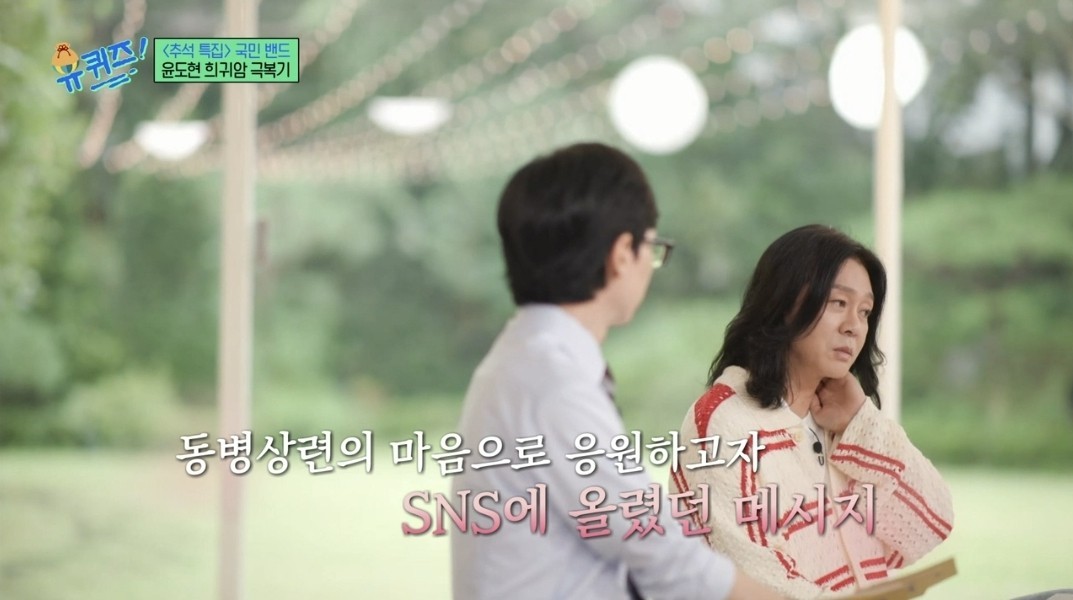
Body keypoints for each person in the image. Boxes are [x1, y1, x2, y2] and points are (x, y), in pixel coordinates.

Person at [450, 143, 782, 600]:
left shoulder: (524, 363)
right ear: (622, 252)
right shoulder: (555, 384)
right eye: (652, 247)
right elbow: (663, 557)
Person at [672, 224, 954, 599]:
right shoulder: (723, 423)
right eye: (838, 303)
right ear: (785, 303)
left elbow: (931, 522)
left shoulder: (843, 421)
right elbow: (756, 580)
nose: (854, 327)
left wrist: (861, 422)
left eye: (865, 311)